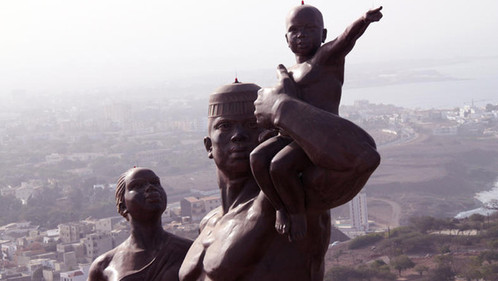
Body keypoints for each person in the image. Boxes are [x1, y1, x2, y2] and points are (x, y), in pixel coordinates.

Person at [179, 66, 380, 280]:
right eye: (225, 126)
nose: (238, 136)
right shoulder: (208, 222)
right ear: (208, 146)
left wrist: (280, 108)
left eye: (251, 124)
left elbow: (363, 158)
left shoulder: (294, 198)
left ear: (268, 135)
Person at [250, 4, 383, 241]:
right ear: (286, 38)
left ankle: (296, 213)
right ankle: (280, 207)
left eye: (310, 29)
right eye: (295, 30)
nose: (301, 35)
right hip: (290, 134)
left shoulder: (325, 58)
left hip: (317, 138)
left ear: (322, 35)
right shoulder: (290, 70)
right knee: (257, 158)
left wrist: (363, 20)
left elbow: (345, 39)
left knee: (279, 166)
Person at [87, 167, 192, 281]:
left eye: (155, 183)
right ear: (123, 206)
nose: (150, 187)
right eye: (137, 186)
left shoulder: (190, 251)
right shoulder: (104, 266)